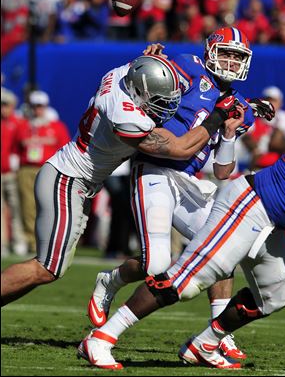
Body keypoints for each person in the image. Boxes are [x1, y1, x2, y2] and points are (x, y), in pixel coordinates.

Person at [86, 28, 275, 359]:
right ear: (211, 51)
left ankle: (216, 335)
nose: (231, 62)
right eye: (227, 53)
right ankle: (111, 281)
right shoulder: (189, 66)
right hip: (154, 171)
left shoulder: (238, 105)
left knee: (223, 247)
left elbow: (222, 171)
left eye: (238, 56)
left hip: (190, 183)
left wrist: (230, 133)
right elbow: (151, 78)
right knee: (157, 263)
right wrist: (149, 60)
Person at [1, 53, 242, 306]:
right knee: (47, 267)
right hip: (68, 179)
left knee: (52, 270)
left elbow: (145, 65)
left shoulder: (121, 75)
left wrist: (152, 55)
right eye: (159, 100)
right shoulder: (126, 116)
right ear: (139, 93)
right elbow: (181, 148)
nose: (167, 106)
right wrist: (216, 117)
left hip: (78, 179)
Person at [78, 144, 285, 370]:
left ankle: (205, 345)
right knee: (186, 280)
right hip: (251, 204)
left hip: (272, 221)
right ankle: (101, 338)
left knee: (274, 295)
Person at [15, 90, 71, 252]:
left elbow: (65, 149)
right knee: (27, 206)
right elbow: (15, 147)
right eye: (34, 106)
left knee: (48, 205)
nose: (37, 110)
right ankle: (30, 240)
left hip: (47, 169)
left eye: (40, 106)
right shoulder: (24, 125)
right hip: (26, 169)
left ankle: (48, 240)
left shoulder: (56, 126)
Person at [1, 87, 27, 256]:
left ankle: (19, 240)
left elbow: (23, 145)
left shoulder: (18, 122)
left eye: (5, 104)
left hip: (11, 172)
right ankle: (2, 243)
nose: (3, 108)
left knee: (17, 207)